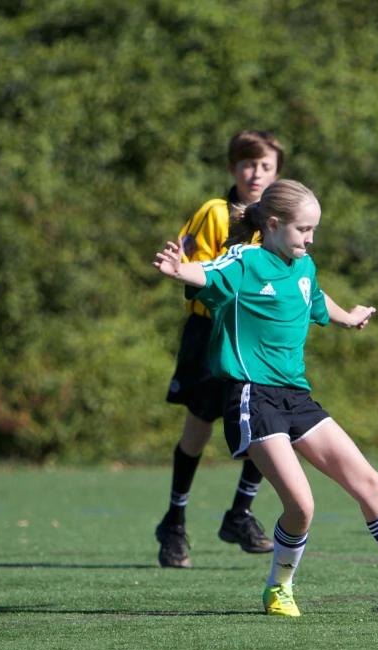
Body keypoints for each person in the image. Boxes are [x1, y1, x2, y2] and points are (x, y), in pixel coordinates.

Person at [152, 179, 378, 617]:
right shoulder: (246, 260)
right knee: (302, 506)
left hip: (297, 397)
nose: (309, 239)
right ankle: (279, 588)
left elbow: (314, 296)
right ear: (273, 224)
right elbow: (209, 273)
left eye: (314, 230)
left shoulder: (303, 266)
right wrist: (180, 269)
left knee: (369, 483)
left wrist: (347, 317)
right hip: (252, 399)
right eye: (303, 230)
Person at [155, 130, 284, 568]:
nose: (256, 173)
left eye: (265, 166)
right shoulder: (214, 213)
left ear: (277, 172)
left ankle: (240, 514)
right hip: (211, 334)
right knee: (198, 430)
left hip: (256, 339)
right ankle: (173, 523)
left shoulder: (279, 220)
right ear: (233, 168)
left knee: (270, 425)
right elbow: (193, 272)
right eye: (248, 164)